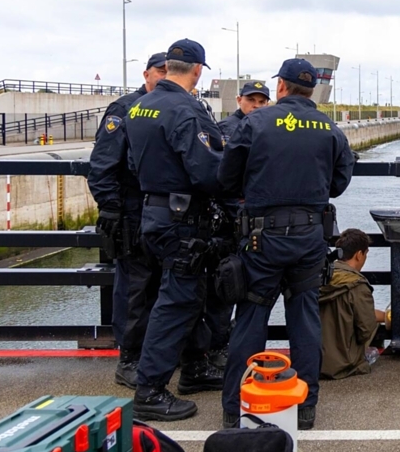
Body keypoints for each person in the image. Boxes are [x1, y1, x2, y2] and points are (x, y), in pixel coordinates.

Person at [219, 58, 355, 430]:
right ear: (311, 90)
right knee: (304, 319)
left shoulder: (255, 123)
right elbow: (339, 183)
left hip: (263, 237)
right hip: (310, 235)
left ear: (281, 86)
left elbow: (227, 178)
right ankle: (306, 405)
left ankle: (236, 406)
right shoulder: (329, 129)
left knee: (251, 317)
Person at [124, 39, 225, 421]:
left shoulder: (140, 107)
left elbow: (134, 164)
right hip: (183, 218)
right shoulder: (186, 110)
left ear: (167, 66)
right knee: (177, 300)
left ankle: (195, 368)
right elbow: (206, 172)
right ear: (198, 70)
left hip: (154, 212)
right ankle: (149, 389)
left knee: (186, 295)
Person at [87, 52, 167, 388]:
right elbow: (103, 165)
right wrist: (111, 210)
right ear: (146, 73)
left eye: (169, 71)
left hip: (162, 213)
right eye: (159, 71)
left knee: (162, 287)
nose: (164, 77)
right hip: (132, 213)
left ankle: (153, 355)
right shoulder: (124, 109)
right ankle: (129, 359)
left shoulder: (172, 109)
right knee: (135, 290)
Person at [203, 81, 272, 369]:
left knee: (246, 288)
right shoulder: (225, 130)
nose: (256, 106)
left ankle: (229, 344)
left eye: (261, 101)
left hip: (251, 223)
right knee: (225, 288)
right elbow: (222, 179)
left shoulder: (266, 128)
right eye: (251, 100)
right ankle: (216, 348)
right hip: (228, 222)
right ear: (239, 99)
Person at [318, 229, 385, 379]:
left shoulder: (320, 277)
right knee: (371, 321)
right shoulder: (358, 286)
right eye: (365, 254)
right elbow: (365, 330)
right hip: (343, 364)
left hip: (312, 361)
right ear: (359, 254)